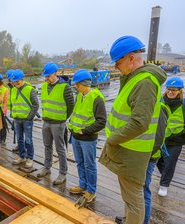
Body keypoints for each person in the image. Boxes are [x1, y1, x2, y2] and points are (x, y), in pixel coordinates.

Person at [99, 36, 166, 224]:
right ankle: (129, 219)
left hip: (132, 151)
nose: (115, 67)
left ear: (130, 59)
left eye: (118, 62)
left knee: (134, 198)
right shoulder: (134, 78)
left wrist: (112, 139)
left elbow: (139, 123)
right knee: (130, 197)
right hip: (128, 148)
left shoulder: (144, 82)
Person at [68, 69, 106, 202]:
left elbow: (102, 122)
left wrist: (85, 131)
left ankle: (91, 190)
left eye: (77, 84)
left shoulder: (97, 98)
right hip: (76, 137)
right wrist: (72, 128)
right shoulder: (79, 95)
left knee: (89, 165)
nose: (75, 87)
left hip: (87, 139)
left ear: (84, 84)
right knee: (79, 162)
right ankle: (83, 185)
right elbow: (76, 113)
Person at [36, 62, 74, 185]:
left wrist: (62, 118)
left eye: (48, 76)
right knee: (47, 146)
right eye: (45, 76)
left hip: (58, 123)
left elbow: (70, 106)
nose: (46, 78)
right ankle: (47, 167)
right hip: (46, 122)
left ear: (55, 73)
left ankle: (62, 173)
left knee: (60, 149)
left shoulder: (65, 87)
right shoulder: (44, 86)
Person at [156, 77, 185, 197]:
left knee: (170, 163)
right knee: (158, 161)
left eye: (174, 90)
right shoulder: (160, 102)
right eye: (169, 89)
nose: (171, 92)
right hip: (160, 139)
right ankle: (166, 175)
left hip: (175, 141)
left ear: (180, 91)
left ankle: (164, 185)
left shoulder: (183, 105)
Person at [10, 69, 39, 169]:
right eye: (14, 81)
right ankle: (22, 156)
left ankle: (29, 158)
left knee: (28, 140)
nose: (15, 83)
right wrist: (13, 114)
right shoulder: (13, 89)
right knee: (19, 139)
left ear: (22, 79)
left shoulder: (30, 89)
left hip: (27, 120)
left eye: (17, 81)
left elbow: (36, 105)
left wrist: (29, 117)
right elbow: (12, 103)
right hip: (17, 119)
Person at [0, 72, 10, 145]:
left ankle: (3, 139)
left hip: (2, 109)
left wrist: (4, 110)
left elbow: (6, 101)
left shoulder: (5, 89)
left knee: (3, 125)